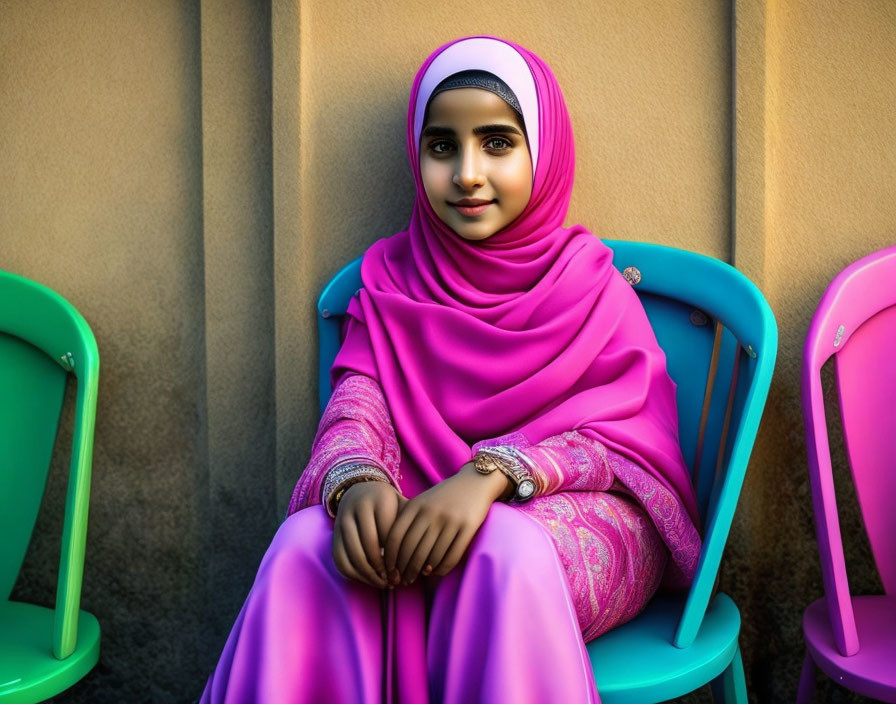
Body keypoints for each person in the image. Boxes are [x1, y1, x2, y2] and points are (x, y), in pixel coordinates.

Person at [200, 35, 701, 704]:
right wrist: (356, 482)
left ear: (543, 152)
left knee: (502, 550)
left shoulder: (593, 287)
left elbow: (621, 451)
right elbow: (358, 405)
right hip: (422, 525)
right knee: (305, 546)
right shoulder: (389, 283)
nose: (467, 173)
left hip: (565, 529)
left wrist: (494, 476)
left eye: (497, 142)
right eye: (443, 147)